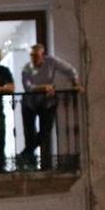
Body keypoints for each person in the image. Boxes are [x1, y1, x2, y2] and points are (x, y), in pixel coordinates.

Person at [19, 42, 79, 170]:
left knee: (46, 131)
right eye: (31, 56)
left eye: (36, 56)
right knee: (29, 134)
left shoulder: (51, 62)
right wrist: (44, 87)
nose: (33, 59)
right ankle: (30, 163)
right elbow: (28, 87)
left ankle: (25, 154)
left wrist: (75, 82)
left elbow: (69, 69)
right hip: (30, 103)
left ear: (42, 55)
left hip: (47, 102)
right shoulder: (26, 68)